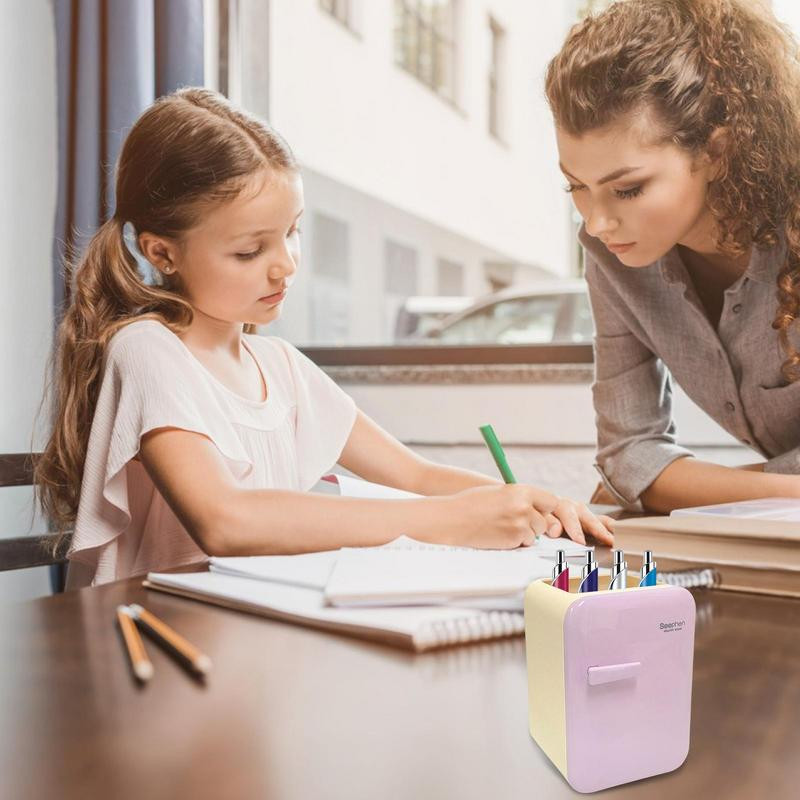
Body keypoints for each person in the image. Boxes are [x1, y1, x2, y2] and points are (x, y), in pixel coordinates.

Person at [35, 88, 613, 587]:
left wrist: (531, 503)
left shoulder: (279, 366)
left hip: (255, 636)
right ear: (162, 252)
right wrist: (450, 521)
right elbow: (226, 521)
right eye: (249, 250)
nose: (285, 265)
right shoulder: (147, 351)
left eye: (293, 232)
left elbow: (413, 476)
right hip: (161, 647)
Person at [545, 0, 800, 512]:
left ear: (716, 152)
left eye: (629, 189)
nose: (595, 223)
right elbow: (627, 456)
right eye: (576, 186)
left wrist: (682, 488)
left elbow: (637, 480)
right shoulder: (608, 252)